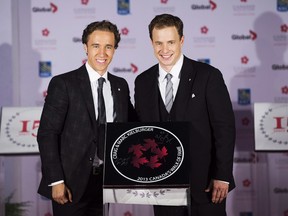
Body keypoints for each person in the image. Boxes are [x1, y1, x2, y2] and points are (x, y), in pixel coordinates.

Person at [134, 14, 236, 216]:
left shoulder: (208, 76)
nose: (165, 50)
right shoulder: (142, 81)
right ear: (151, 43)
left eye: (171, 42)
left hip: (206, 185)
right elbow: (141, 132)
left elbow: (224, 128)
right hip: (163, 186)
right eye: (159, 43)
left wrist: (222, 176)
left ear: (181, 40)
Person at [37, 20, 136, 216]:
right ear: (85, 47)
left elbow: (133, 127)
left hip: (106, 181)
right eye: (96, 46)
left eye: (108, 47)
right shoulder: (64, 83)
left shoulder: (120, 85)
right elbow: (47, 134)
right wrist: (56, 181)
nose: (102, 53)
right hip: (70, 184)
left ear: (114, 49)